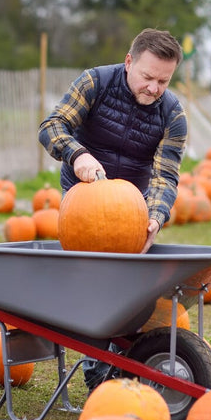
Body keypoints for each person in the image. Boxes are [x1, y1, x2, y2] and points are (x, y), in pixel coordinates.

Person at [38, 28, 188, 393]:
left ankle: (127, 361)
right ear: (128, 62)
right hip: (84, 198)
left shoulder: (172, 113)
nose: (154, 87)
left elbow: (165, 175)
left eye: (163, 81)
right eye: (148, 77)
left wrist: (155, 215)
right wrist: (77, 154)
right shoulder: (95, 83)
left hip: (132, 206)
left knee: (128, 288)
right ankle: (97, 370)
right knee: (94, 282)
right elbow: (52, 126)